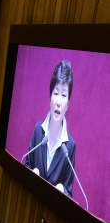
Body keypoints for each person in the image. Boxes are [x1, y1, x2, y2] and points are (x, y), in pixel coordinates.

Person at [25, 60, 76, 197]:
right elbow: (27, 166)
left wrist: (63, 191)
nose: (58, 102)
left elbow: (69, 193)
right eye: (56, 93)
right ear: (50, 97)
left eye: (64, 95)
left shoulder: (70, 145)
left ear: (68, 104)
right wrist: (31, 173)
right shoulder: (38, 129)